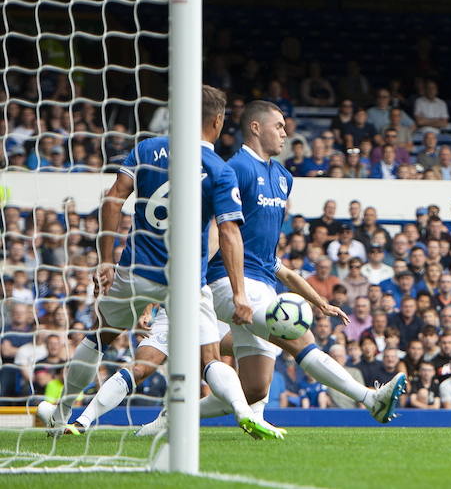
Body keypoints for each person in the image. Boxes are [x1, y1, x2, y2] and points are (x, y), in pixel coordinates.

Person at [135, 101, 407, 435]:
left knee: (255, 389)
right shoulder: (234, 169)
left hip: (263, 283)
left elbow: (270, 255)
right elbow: (217, 231)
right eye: (278, 126)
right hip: (231, 282)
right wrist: (185, 289)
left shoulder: (283, 177)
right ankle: (370, 398)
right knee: (297, 336)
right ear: (255, 127)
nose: (284, 132)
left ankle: (169, 421)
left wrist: (317, 300)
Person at [37, 86, 281, 439]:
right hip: (185, 280)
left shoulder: (147, 149)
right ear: (216, 120)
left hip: (136, 271)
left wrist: (105, 260)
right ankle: (244, 411)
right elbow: (228, 233)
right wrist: (240, 293)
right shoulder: (219, 168)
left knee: (99, 337)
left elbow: (113, 199)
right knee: (210, 356)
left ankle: (62, 413)